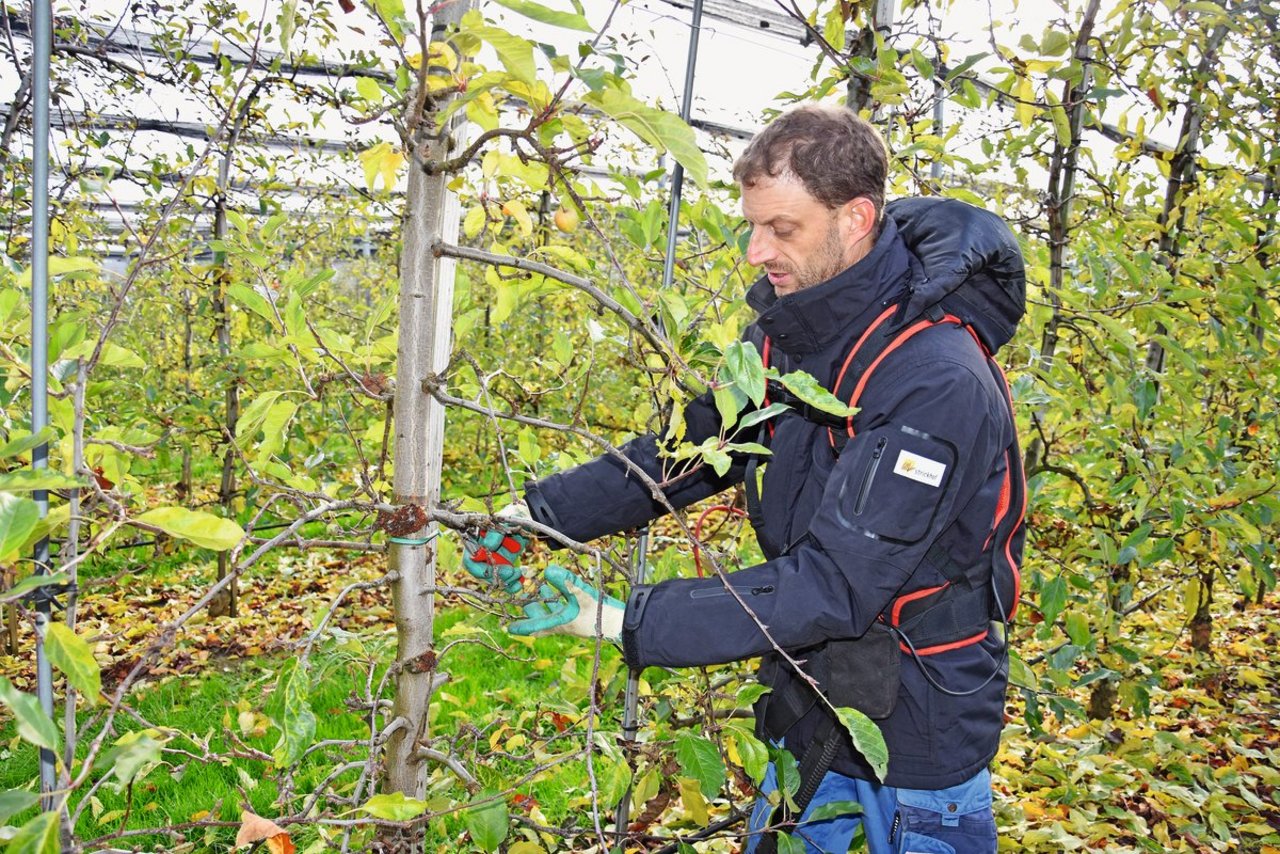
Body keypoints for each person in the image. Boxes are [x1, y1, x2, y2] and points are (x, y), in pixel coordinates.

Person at [462, 104, 1026, 854]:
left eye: (782, 229)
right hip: (809, 689)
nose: (758, 251)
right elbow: (692, 449)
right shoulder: (795, 334)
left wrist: (622, 620)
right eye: (753, 226)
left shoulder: (935, 378)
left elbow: (835, 584)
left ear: (856, 218)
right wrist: (537, 515)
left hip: (921, 720)